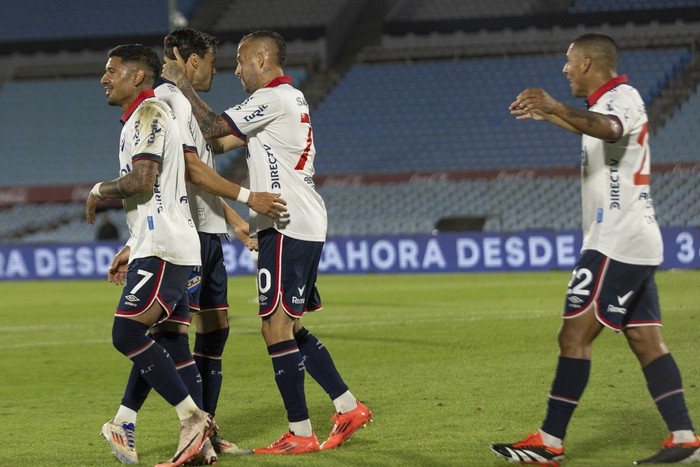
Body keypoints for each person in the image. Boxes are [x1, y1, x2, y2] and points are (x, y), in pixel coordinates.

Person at [491, 33, 700, 466]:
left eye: (569, 62)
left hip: (616, 241)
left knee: (574, 335)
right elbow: (600, 130)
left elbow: (611, 129)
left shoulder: (619, 98)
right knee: (646, 339)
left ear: (587, 63)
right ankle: (684, 439)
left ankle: (549, 443)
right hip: (633, 239)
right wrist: (551, 116)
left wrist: (553, 105)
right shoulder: (607, 102)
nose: (565, 69)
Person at [162, 30, 372, 454]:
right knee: (290, 327)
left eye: (240, 61)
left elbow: (215, 126)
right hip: (297, 221)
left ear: (262, 59)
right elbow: (219, 141)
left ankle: (300, 433)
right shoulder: (284, 101)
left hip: (285, 222)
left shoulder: (273, 98)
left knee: (273, 328)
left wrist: (181, 84)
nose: (235, 69)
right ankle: (348, 407)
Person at [100, 29, 286, 465]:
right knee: (168, 332)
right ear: (187, 60)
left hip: (202, 229)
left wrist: (236, 223)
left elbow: (211, 148)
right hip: (187, 234)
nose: (217, 70)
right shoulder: (166, 102)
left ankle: (197, 431)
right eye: (210, 61)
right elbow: (187, 169)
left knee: (198, 332)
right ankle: (181, 425)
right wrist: (243, 202)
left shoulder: (181, 103)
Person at [86, 44, 215, 467]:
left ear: (137, 76)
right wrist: (132, 243)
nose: (105, 79)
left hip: (164, 249)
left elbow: (142, 181)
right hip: (162, 244)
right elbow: (160, 194)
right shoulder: (144, 118)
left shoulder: (149, 114)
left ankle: (193, 419)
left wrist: (97, 190)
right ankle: (153, 431)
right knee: (171, 341)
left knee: (126, 334)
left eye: (112, 71)